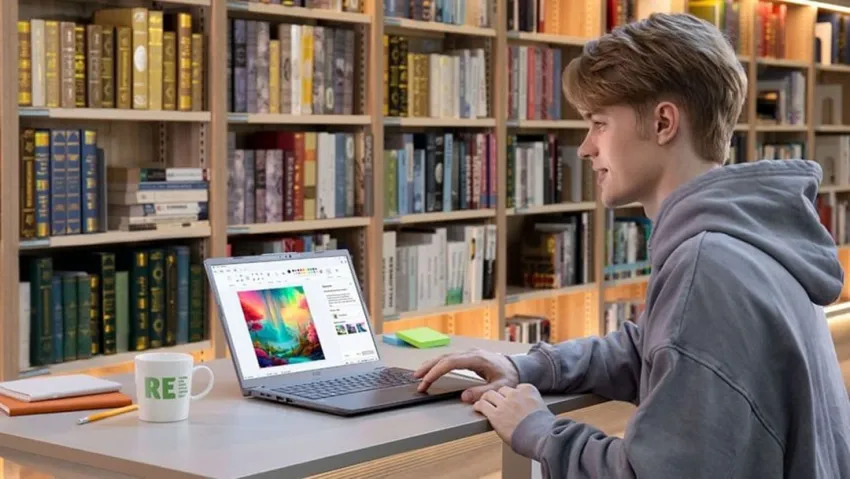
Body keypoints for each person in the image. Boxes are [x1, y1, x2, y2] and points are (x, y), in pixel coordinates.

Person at [414, 12, 850, 478]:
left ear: (663, 122)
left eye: (600, 123)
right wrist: (524, 366)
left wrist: (538, 429)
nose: (585, 147)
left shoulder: (708, 266)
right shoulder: (746, 239)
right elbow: (652, 349)